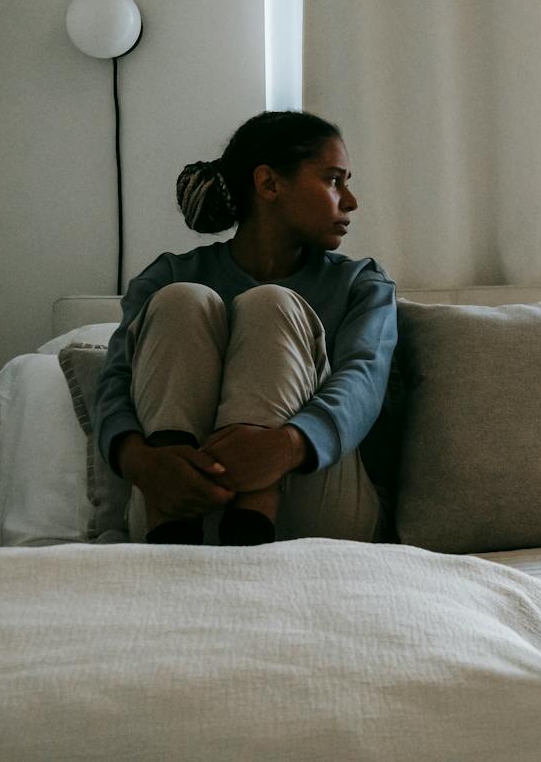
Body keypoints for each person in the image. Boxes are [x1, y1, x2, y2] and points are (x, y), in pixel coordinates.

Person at [93, 110, 396, 546]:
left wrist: (286, 446)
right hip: (178, 507)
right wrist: (138, 460)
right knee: (183, 298)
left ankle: (255, 515)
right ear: (270, 184)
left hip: (314, 508)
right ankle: (176, 526)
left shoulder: (360, 285)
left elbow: (364, 380)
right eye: (333, 180)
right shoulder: (166, 277)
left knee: (271, 303)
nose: (350, 201)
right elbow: (116, 381)